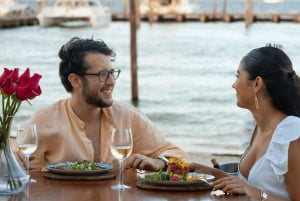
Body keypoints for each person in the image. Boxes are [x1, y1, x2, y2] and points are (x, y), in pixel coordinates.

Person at [16, 36, 188, 171]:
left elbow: (178, 154)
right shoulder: (45, 120)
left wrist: (159, 162)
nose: (111, 81)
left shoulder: (128, 117)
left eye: (112, 73)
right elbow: (22, 168)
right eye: (103, 75)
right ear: (75, 80)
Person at [190, 45, 300, 201]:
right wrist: (212, 173)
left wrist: (255, 193)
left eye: (237, 75)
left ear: (257, 84)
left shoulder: (291, 133)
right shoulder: (254, 127)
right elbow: (249, 185)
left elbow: (254, 191)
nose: (233, 84)